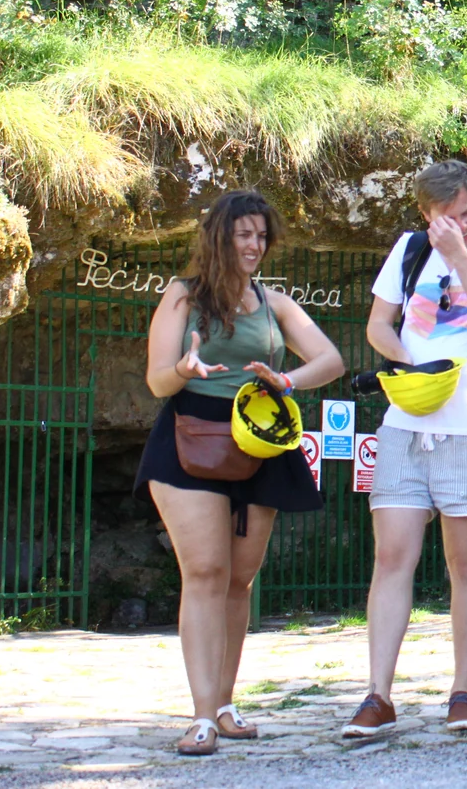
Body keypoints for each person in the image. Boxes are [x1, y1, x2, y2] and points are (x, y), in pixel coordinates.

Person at [138, 190, 346, 756]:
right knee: (205, 571)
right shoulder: (181, 296)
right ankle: (202, 715)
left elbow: (331, 359)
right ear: (219, 238)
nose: (254, 245)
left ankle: (226, 704)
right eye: (243, 234)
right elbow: (157, 381)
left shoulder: (275, 303)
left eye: (260, 235)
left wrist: (288, 381)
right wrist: (184, 368)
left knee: (239, 579)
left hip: (261, 438)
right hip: (191, 437)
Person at [343, 160, 467, 738]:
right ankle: (378, 694)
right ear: (427, 214)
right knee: (391, 559)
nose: (464, 224)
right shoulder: (406, 250)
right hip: (406, 422)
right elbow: (379, 325)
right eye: (451, 218)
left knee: (466, 564)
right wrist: (409, 364)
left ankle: (463, 691)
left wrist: (459, 257)